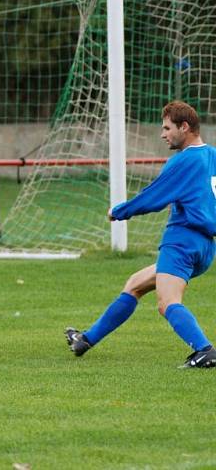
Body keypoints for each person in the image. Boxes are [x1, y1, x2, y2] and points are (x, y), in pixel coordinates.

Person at [65, 100, 216, 369]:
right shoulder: (212, 156)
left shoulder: (184, 160)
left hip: (181, 241)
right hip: (205, 246)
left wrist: (119, 211)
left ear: (184, 127)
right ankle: (85, 340)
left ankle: (205, 351)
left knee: (167, 302)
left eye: (167, 128)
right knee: (136, 283)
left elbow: (154, 197)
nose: (163, 134)